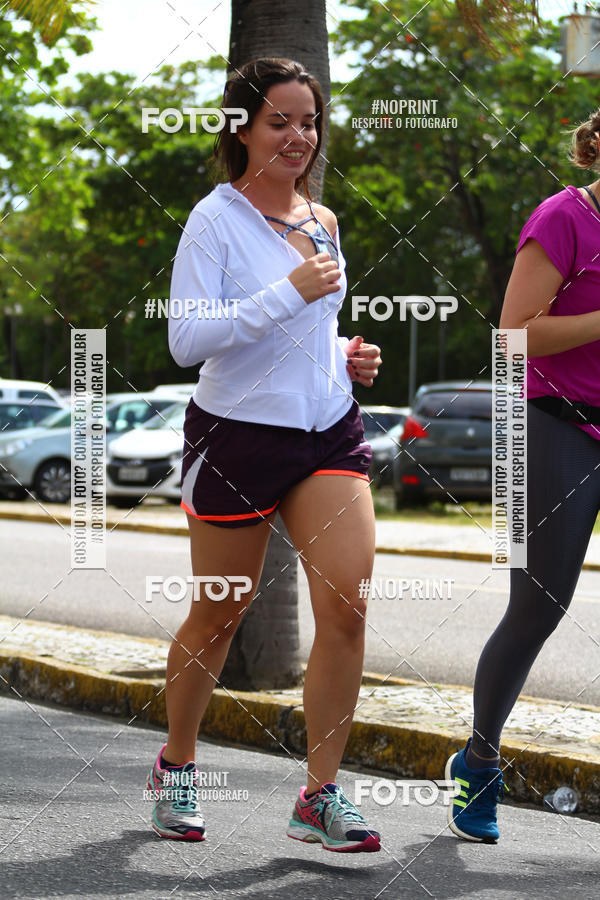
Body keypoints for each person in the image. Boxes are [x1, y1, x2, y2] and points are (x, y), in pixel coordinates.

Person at [147, 57, 383, 852]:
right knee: (220, 610)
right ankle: (177, 765)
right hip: (236, 434)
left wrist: (346, 353)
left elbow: (307, 331)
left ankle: (320, 794)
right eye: (279, 121)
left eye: (308, 121)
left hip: (327, 430)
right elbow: (188, 340)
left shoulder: (324, 220)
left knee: (347, 607)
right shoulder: (213, 220)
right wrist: (289, 292)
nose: (298, 137)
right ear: (241, 127)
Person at [446, 107, 600, 843]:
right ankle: (479, 761)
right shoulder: (564, 217)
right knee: (540, 606)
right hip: (556, 428)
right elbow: (514, 334)